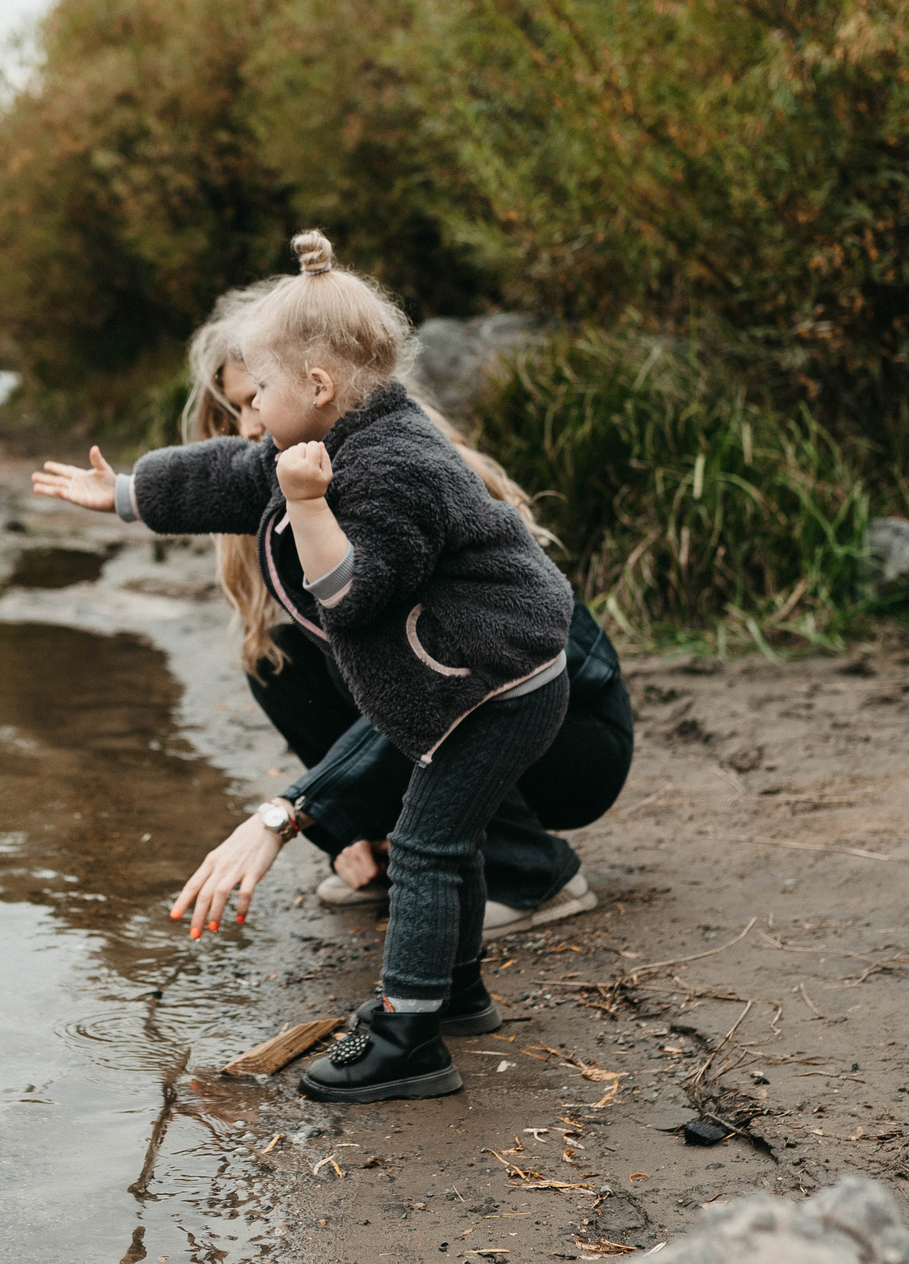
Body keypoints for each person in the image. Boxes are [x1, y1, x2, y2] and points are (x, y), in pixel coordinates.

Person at [33, 230, 574, 1103]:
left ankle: (408, 1036)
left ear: (318, 387)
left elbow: (352, 594)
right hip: (482, 678)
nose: (251, 414)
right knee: (454, 837)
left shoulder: (395, 465)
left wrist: (308, 504)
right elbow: (224, 475)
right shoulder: (332, 438)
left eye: (262, 390)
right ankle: (458, 994)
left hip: (493, 684)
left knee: (429, 844)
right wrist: (128, 494)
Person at [174, 291, 633, 947]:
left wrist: (290, 810)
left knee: (418, 675)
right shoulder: (295, 497)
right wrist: (344, 831)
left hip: (571, 738)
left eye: (257, 397)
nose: (247, 428)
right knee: (278, 659)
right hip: (470, 718)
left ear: (319, 387)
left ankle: (535, 873)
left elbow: (432, 685)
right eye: (234, 408)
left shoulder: (401, 479)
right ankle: (388, 845)